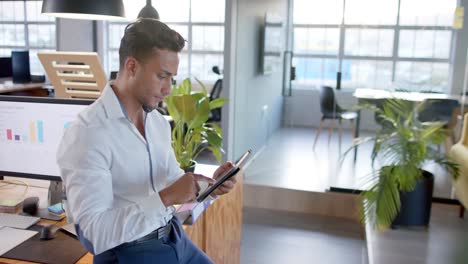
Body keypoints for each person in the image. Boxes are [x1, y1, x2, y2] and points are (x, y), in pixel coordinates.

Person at [57, 18, 237, 263]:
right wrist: (165, 198)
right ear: (131, 66)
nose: (168, 89)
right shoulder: (88, 134)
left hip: (174, 237)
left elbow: (173, 181)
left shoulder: (157, 123)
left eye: (171, 78)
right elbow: (94, 234)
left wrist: (212, 186)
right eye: (162, 76)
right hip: (131, 253)